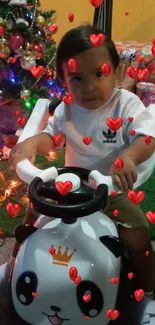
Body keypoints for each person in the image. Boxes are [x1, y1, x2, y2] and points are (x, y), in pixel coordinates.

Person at [1, 23, 155, 323]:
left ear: (117, 70)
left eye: (99, 74)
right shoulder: (67, 109)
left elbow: (146, 138)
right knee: (30, 219)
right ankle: (13, 264)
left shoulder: (126, 104)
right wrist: (34, 141)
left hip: (111, 191)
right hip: (69, 188)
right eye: (77, 78)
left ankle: (148, 294)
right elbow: (52, 136)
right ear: (63, 80)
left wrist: (129, 156)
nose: (89, 87)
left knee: (138, 236)